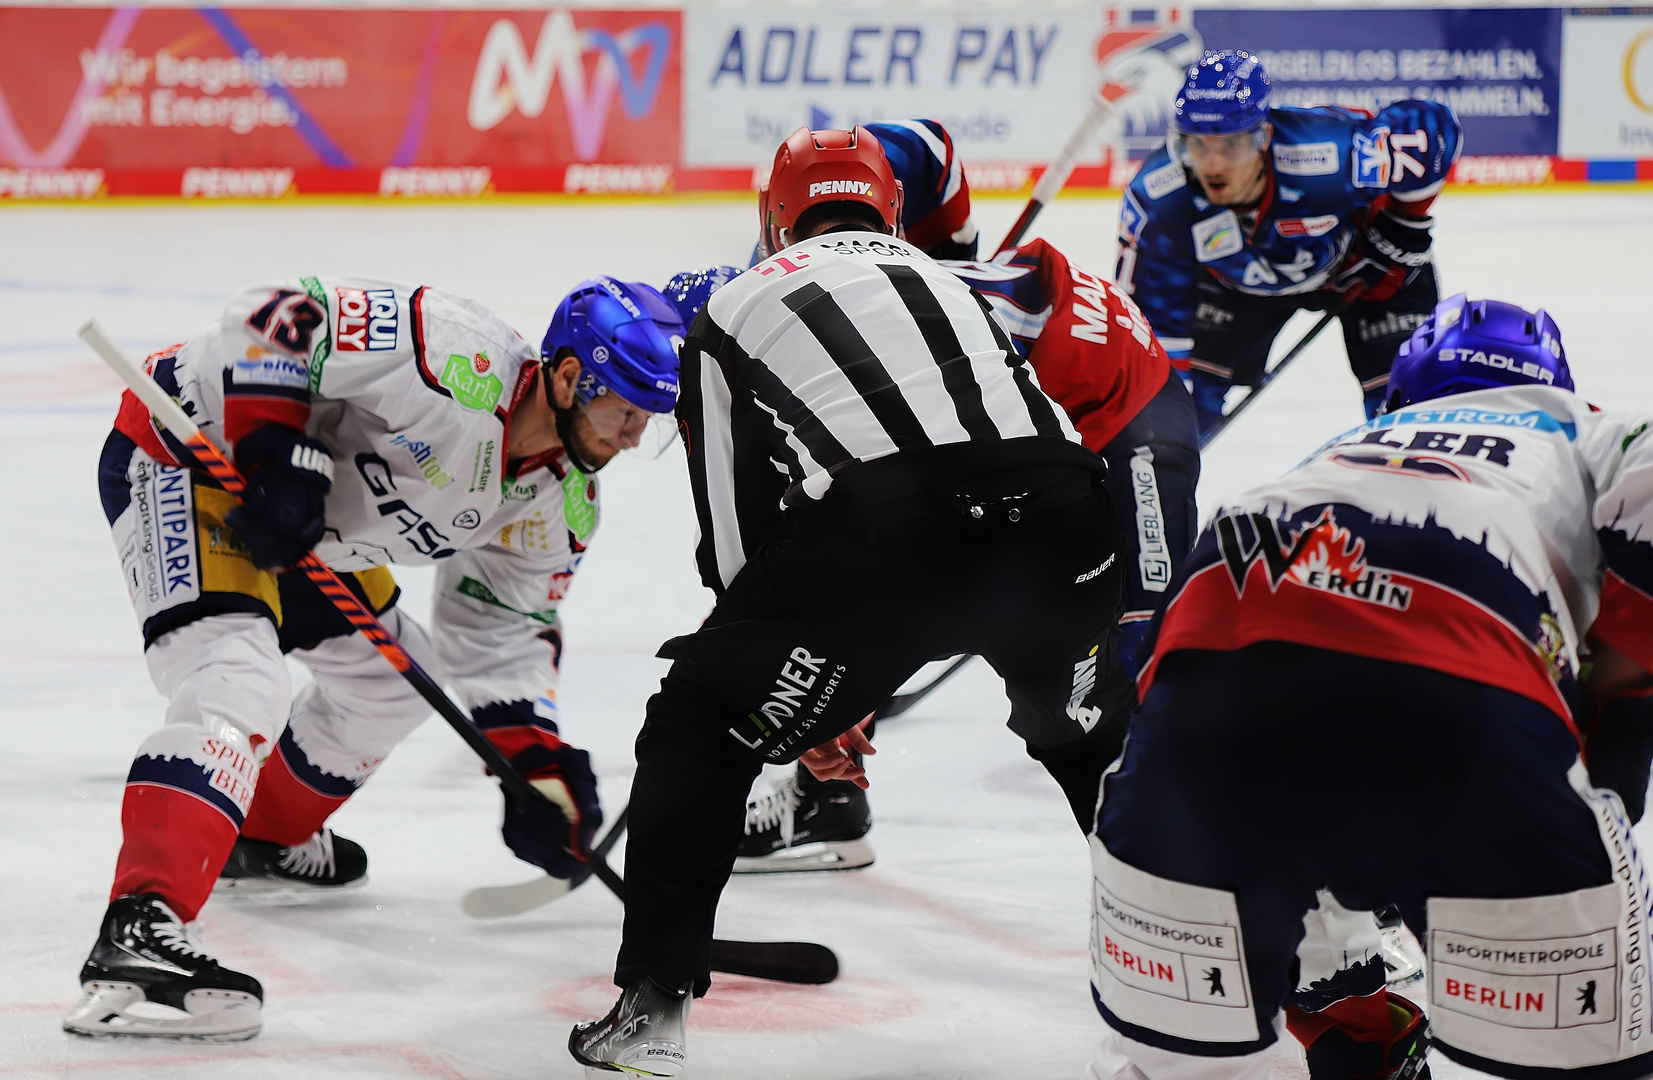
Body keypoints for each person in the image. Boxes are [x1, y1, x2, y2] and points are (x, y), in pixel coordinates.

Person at [569, 125, 1134, 1077]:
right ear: (891, 212)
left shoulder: (735, 306)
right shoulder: (957, 282)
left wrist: (777, 680)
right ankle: (1212, 945)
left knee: (699, 727)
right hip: (1065, 520)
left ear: (773, 217)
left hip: (894, 540)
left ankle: (653, 1009)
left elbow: (735, 544)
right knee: (1089, 737)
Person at [66, 275, 684, 1041]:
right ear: (565, 376)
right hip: (191, 457)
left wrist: (533, 761)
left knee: (389, 687)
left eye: (646, 421)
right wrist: (271, 448)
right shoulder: (454, 354)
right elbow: (278, 311)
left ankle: (256, 834)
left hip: (311, 525)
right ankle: (137, 938)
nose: (631, 438)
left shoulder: (562, 500)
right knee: (237, 680)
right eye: (623, 410)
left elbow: (501, 629)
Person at [1087, 295, 1653, 1080]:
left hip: (1209, 658)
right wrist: (1619, 738)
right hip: (1459, 673)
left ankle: (1357, 1035)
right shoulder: (1585, 428)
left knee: (1181, 1046)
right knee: (1586, 1054)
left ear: (1401, 395)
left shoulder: (1343, 447)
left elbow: (1150, 660)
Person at [667, 238, 1201, 873]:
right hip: (1024, 448)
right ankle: (826, 801)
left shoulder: (847, 339)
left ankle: (1200, 874)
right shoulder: (813, 343)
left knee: (1131, 670)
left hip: (1121, 412)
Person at [1115, 50, 1462, 433]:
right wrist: (1166, 431)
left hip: (1360, 273)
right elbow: (1155, 326)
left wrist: (1402, 225)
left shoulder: (1329, 155)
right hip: (1236, 286)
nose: (1213, 166)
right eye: (1198, 145)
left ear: (1262, 137)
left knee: (1412, 412)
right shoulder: (1160, 199)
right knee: (1174, 417)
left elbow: (1432, 129)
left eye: (1231, 146)